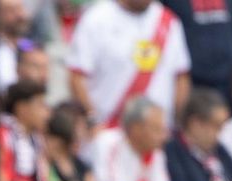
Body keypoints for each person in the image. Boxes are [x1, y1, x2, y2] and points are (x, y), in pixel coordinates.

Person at [68, 0, 193, 131]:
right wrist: (93, 120)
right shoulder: (96, 19)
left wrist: (176, 122)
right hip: (109, 132)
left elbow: (181, 76)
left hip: (158, 134)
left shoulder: (169, 21)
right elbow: (77, 77)